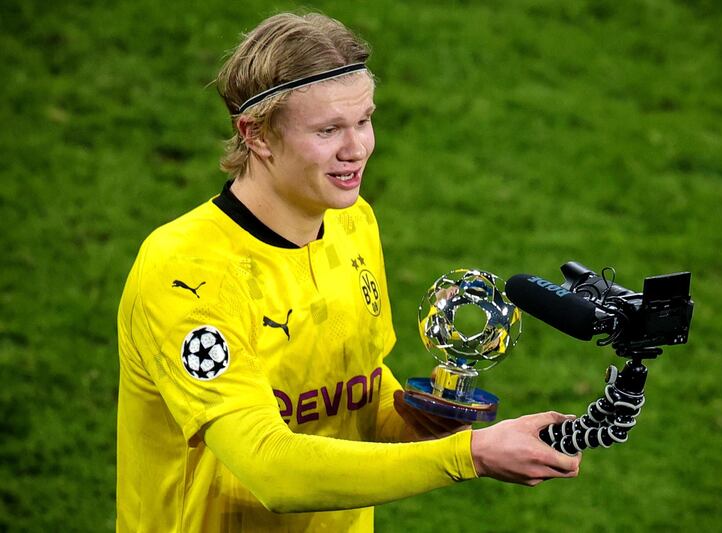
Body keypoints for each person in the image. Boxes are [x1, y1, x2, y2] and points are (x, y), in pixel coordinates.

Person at [116, 11, 581, 533]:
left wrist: (423, 421)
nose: (356, 149)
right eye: (328, 129)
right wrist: (468, 456)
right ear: (257, 135)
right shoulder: (186, 272)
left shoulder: (351, 221)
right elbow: (270, 468)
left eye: (364, 120)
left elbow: (356, 386)